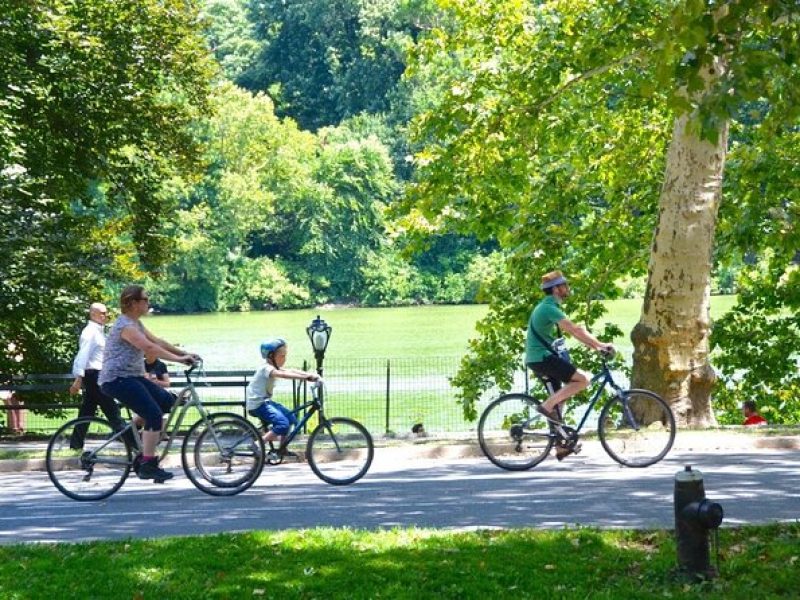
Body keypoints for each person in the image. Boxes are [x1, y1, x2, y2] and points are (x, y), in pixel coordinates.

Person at [98, 285, 199, 481]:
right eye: (145, 299)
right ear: (134, 303)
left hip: (132, 377)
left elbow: (158, 342)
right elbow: (149, 347)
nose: (148, 302)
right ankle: (148, 464)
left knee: (167, 402)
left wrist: (184, 353)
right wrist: (179, 360)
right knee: (153, 415)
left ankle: (131, 437)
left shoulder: (136, 324)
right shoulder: (125, 326)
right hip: (117, 379)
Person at [526, 270, 614, 460]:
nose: (568, 288)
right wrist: (600, 345)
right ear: (556, 289)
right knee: (583, 380)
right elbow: (574, 329)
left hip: (540, 358)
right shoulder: (548, 308)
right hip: (541, 358)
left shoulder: (548, 306)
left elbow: (575, 332)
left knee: (560, 401)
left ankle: (560, 446)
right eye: (565, 285)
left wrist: (594, 347)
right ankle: (545, 406)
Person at [246, 338, 319, 458]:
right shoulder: (267, 368)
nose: (284, 359)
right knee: (282, 424)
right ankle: (258, 444)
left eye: (285, 356)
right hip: (258, 404)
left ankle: (282, 449)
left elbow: (290, 370)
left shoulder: (273, 367)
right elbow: (283, 374)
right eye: (282, 356)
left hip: (265, 402)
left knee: (290, 418)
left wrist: (309, 375)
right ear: (271, 356)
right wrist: (306, 378)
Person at [68, 302, 126, 449]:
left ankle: (75, 445)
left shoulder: (98, 332)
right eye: (102, 313)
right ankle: (134, 444)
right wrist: (78, 378)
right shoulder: (90, 332)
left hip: (98, 375)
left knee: (86, 413)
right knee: (113, 412)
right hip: (95, 376)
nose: (105, 316)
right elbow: (83, 356)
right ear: (92, 314)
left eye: (105, 313)